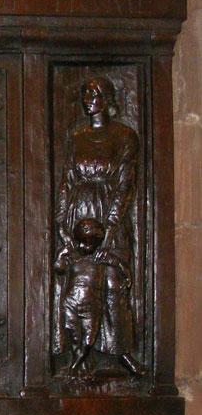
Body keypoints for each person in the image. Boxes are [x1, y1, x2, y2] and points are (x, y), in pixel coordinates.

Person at [54, 76, 144, 376]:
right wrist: (61, 223)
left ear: (108, 98)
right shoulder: (77, 137)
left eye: (94, 93)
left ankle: (122, 352)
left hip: (108, 213)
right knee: (81, 284)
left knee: (112, 284)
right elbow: (67, 182)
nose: (88, 98)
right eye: (85, 93)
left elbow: (125, 184)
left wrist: (112, 225)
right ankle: (81, 353)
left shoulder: (124, 136)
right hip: (80, 212)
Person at [55, 218, 131, 375]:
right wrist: (60, 256)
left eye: (88, 243)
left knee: (89, 339)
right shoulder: (73, 256)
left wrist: (128, 279)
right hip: (72, 302)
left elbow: (121, 266)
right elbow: (59, 269)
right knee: (75, 337)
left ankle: (75, 366)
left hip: (92, 305)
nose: (83, 246)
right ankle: (81, 368)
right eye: (82, 242)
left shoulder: (102, 258)